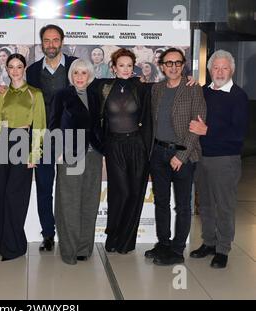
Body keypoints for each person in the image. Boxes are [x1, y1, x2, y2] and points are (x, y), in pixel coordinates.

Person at [144, 47, 207, 266]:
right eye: (168, 63)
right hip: (158, 153)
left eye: (177, 63)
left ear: (183, 65)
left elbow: (197, 127)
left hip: (183, 155)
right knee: (161, 202)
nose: (173, 67)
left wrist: (181, 155)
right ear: (161, 66)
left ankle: (178, 249)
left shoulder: (193, 89)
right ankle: (163, 243)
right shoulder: (157, 89)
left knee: (182, 205)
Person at [189, 50, 249, 268]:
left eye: (224, 68)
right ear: (209, 69)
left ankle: (223, 249)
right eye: (216, 67)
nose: (220, 71)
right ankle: (209, 242)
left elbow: (238, 133)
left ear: (231, 70)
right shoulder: (203, 91)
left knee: (224, 205)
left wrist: (208, 131)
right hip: (201, 157)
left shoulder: (238, 96)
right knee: (205, 204)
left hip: (225, 160)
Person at [94, 48, 153, 254]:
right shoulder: (102, 86)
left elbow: (166, 87)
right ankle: (113, 234)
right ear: (114, 67)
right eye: (122, 65)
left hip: (137, 145)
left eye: (129, 65)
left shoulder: (141, 87)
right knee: (120, 192)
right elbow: (78, 84)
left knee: (135, 193)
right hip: (114, 145)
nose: (126, 69)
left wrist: (186, 79)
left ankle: (126, 241)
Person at [0, 53, 46, 261]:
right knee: (1, 193)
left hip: (23, 141)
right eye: (11, 67)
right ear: (7, 69)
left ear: (24, 68)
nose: (15, 70)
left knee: (16, 195)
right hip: (2, 141)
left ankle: (14, 245)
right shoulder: (2, 94)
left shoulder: (35, 94)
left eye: (19, 66)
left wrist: (35, 153)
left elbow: (39, 125)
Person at [26, 24, 77, 251]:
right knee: (44, 188)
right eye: (47, 41)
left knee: (69, 189)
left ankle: (69, 235)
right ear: (42, 43)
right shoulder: (33, 70)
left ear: (62, 41)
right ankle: (48, 234)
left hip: (70, 138)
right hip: (43, 138)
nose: (51, 45)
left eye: (55, 40)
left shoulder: (77, 66)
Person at [50, 59, 103, 265]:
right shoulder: (62, 96)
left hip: (94, 155)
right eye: (76, 73)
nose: (80, 77)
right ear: (71, 75)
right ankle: (69, 251)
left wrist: (102, 149)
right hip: (70, 155)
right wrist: (59, 152)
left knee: (90, 202)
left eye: (84, 73)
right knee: (69, 204)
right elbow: (54, 125)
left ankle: (84, 248)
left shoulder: (95, 95)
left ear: (89, 75)